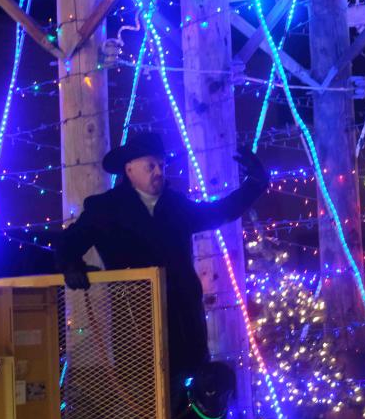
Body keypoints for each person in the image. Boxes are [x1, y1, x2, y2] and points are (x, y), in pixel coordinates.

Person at [54, 132, 269, 378]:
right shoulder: (105, 208)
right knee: (146, 400)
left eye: (161, 165)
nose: (158, 171)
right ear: (130, 169)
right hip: (135, 325)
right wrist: (70, 264)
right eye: (151, 165)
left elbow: (217, 213)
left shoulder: (175, 204)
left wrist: (255, 184)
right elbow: (70, 241)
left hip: (184, 324)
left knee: (187, 401)